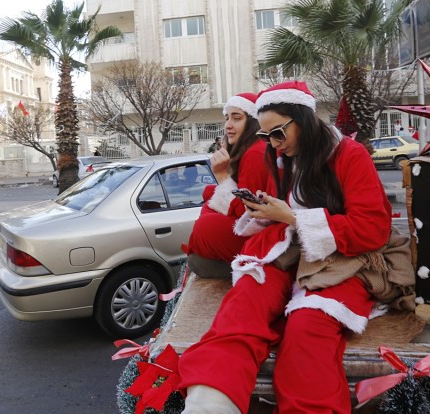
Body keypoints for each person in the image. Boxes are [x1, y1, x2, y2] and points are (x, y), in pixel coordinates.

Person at [178, 81, 416, 413]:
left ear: (302, 120)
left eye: (278, 134)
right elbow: (281, 218)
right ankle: (210, 402)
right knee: (245, 301)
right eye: (266, 137)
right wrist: (265, 212)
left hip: (347, 260)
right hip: (288, 250)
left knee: (309, 325)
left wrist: (291, 217)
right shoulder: (280, 158)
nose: (273, 144)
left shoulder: (350, 155)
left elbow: (372, 229)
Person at [186, 92, 269, 265]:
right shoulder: (251, 150)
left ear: (253, 122)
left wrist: (222, 176)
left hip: (259, 241)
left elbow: (247, 213)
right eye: (227, 118)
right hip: (254, 235)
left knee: (205, 225)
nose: (228, 125)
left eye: (236, 118)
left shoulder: (255, 152)